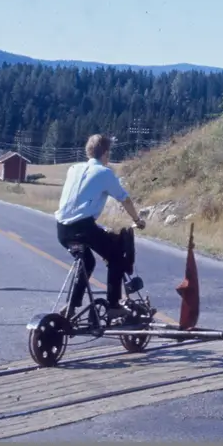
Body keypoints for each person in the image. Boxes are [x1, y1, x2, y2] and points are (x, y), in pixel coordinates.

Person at [54, 133, 146, 321]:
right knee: (116, 257)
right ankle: (113, 306)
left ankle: (71, 307)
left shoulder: (73, 169)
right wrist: (137, 220)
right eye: (109, 152)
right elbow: (125, 199)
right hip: (83, 227)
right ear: (105, 153)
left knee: (87, 262)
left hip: (62, 229)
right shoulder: (105, 173)